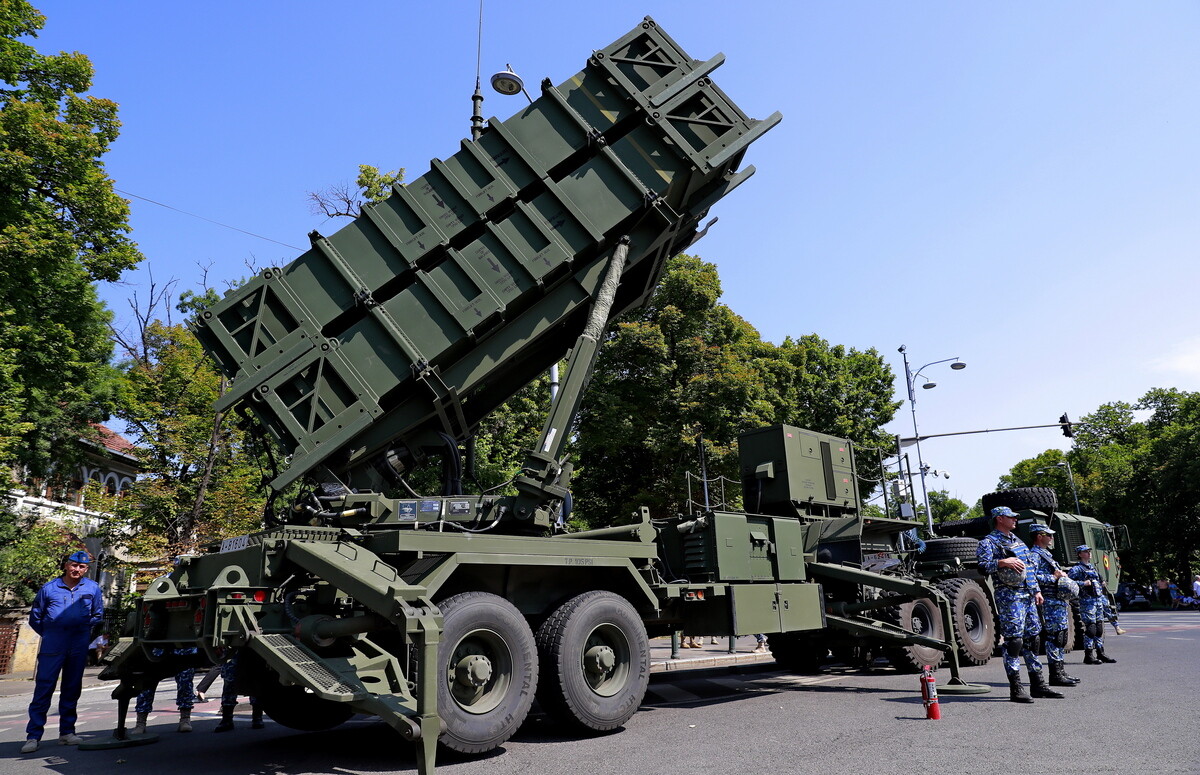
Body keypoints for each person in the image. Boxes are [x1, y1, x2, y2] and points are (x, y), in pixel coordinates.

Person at [976, 507, 1063, 703]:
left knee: (1033, 639)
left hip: (1028, 596)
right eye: (1011, 517)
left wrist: (1036, 591)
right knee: (1014, 642)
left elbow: (1029, 568)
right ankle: (1016, 688)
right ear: (1000, 519)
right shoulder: (988, 542)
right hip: (1010, 596)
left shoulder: (1018, 541)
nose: (1015, 519)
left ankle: (1038, 685)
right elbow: (982, 566)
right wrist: (1002, 562)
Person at [22, 551, 105, 754]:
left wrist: (82, 629)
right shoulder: (49, 588)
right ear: (66, 566)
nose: (77, 569)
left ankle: (66, 733)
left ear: (86, 569)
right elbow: (36, 617)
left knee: (72, 688)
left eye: (82, 567)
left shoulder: (92, 588)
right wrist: (51, 633)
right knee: (44, 688)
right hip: (53, 643)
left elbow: (98, 614)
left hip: (78, 643)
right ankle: (33, 736)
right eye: (74, 565)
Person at [1027, 524, 1080, 687]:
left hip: (1058, 600)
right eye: (1048, 535)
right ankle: (1055, 674)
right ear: (1039, 536)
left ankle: (1060, 671)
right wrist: (1054, 577)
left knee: (1061, 636)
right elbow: (1032, 577)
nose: (1052, 538)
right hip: (1049, 601)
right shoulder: (1034, 555)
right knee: (1054, 637)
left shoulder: (1046, 554)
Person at [1068, 545, 1116, 664]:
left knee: (1099, 629)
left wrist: (1102, 583)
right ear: (1080, 554)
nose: (1089, 553)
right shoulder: (1076, 569)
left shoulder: (1092, 567)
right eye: (1085, 552)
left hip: (1097, 601)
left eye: (1089, 551)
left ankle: (1100, 653)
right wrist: (1083, 583)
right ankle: (1088, 655)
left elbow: (1098, 580)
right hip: (1086, 602)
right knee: (1091, 629)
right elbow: (1068, 582)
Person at [132, 647, 198, 734]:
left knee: (185, 681)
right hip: (157, 648)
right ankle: (140, 722)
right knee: (147, 684)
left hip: (183, 649)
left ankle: (185, 719)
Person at [215, 653, 263, 732]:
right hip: (233, 651)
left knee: (255, 681)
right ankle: (227, 719)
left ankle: (257, 717)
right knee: (230, 682)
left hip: (252, 651)